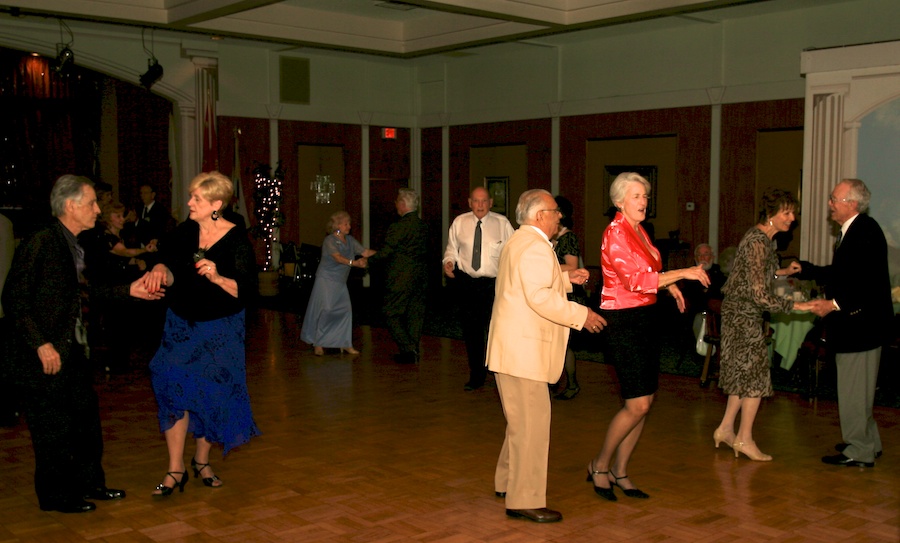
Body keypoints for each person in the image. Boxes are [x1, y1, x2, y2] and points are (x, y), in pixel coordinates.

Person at [2, 175, 164, 513]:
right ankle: (56, 496)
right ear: (71, 205)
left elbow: (81, 295)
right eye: (91, 203)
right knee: (52, 429)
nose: (97, 209)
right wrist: (40, 343)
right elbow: (15, 298)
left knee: (85, 422)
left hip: (73, 350)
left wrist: (128, 291)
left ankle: (91, 483)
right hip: (46, 354)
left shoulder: (75, 243)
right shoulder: (42, 241)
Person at [587, 172, 709, 502]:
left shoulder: (638, 230)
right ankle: (599, 465)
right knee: (637, 403)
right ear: (619, 201)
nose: (644, 201)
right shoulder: (615, 234)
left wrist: (670, 288)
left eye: (645, 195)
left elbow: (651, 271)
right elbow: (635, 280)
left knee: (644, 402)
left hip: (644, 318)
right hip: (622, 321)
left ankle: (620, 470)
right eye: (637, 195)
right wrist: (684, 273)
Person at [488, 189, 607, 524]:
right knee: (532, 426)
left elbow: (526, 284)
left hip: (511, 348)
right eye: (555, 211)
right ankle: (523, 500)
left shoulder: (520, 241)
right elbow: (538, 296)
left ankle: (506, 481)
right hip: (524, 351)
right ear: (539, 215)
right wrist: (581, 315)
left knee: (520, 422)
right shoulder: (535, 246)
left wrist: (566, 279)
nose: (560, 217)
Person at [143, 171, 260, 496]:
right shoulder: (184, 232)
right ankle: (175, 468)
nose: (189, 202)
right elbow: (166, 262)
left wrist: (219, 277)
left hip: (220, 327)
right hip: (181, 323)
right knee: (170, 382)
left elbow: (248, 289)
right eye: (191, 196)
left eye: (196, 198)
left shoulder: (236, 239)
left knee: (212, 393)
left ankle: (202, 460)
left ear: (216, 204)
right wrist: (159, 270)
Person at [711, 188, 810, 462]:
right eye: (786, 212)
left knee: (742, 376)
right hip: (743, 316)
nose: (792, 218)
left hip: (741, 314)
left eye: (793, 213)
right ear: (771, 214)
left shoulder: (762, 240)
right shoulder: (758, 241)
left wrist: (782, 272)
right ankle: (745, 438)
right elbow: (758, 293)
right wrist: (795, 306)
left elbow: (755, 274)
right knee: (755, 378)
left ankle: (725, 429)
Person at [807, 179, 893, 468]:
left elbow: (865, 284)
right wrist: (807, 270)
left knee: (855, 391)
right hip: (864, 328)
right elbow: (844, 273)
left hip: (860, 328)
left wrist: (832, 304)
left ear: (851, 204)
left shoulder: (863, 232)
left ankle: (859, 450)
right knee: (861, 389)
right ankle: (869, 443)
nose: (830, 204)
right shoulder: (858, 230)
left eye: (834, 199)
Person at [442, 186, 514, 390]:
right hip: (467, 283)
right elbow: (451, 249)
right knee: (471, 331)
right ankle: (476, 375)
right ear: (469, 202)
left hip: (493, 285)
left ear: (491, 203)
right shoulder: (459, 222)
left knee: (496, 329)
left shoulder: (502, 224)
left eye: (484, 201)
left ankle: (498, 369)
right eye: (476, 201)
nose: (480, 205)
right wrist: (448, 262)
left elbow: (512, 252)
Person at [300, 211, 376, 356]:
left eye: (349, 223)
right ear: (337, 226)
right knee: (327, 310)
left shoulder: (350, 240)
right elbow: (338, 258)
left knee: (345, 310)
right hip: (326, 280)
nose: (349, 226)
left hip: (340, 281)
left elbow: (365, 252)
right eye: (346, 223)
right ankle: (319, 343)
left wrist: (384, 254)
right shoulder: (330, 240)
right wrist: (354, 263)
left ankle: (344, 343)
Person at [368, 188, 428, 364]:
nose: (395, 205)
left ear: (402, 204)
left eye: (396, 202)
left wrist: (369, 260)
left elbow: (388, 252)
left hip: (401, 277)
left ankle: (408, 348)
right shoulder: (423, 226)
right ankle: (412, 350)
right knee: (415, 314)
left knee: (390, 312)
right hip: (420, 277)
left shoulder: (397, 227)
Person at [551, 195, 588, 400]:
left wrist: (546, 267)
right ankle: (555, 382)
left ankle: (572, 384)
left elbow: (573, 267)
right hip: (556, 292)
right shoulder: (553, 237)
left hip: (569, 295)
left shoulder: (568, 237)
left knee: (564, 344)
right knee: (555, 342)